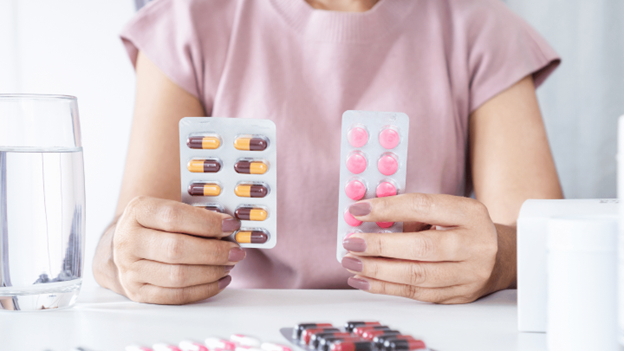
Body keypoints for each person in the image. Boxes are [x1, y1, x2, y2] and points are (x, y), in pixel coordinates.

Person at [93, 0, 563, 305]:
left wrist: (501, 259)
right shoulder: (189, 21)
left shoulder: (480, 26)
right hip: (234, 328)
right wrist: (126, 258)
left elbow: (548, 247)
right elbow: (118, 243)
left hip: (425, 325)